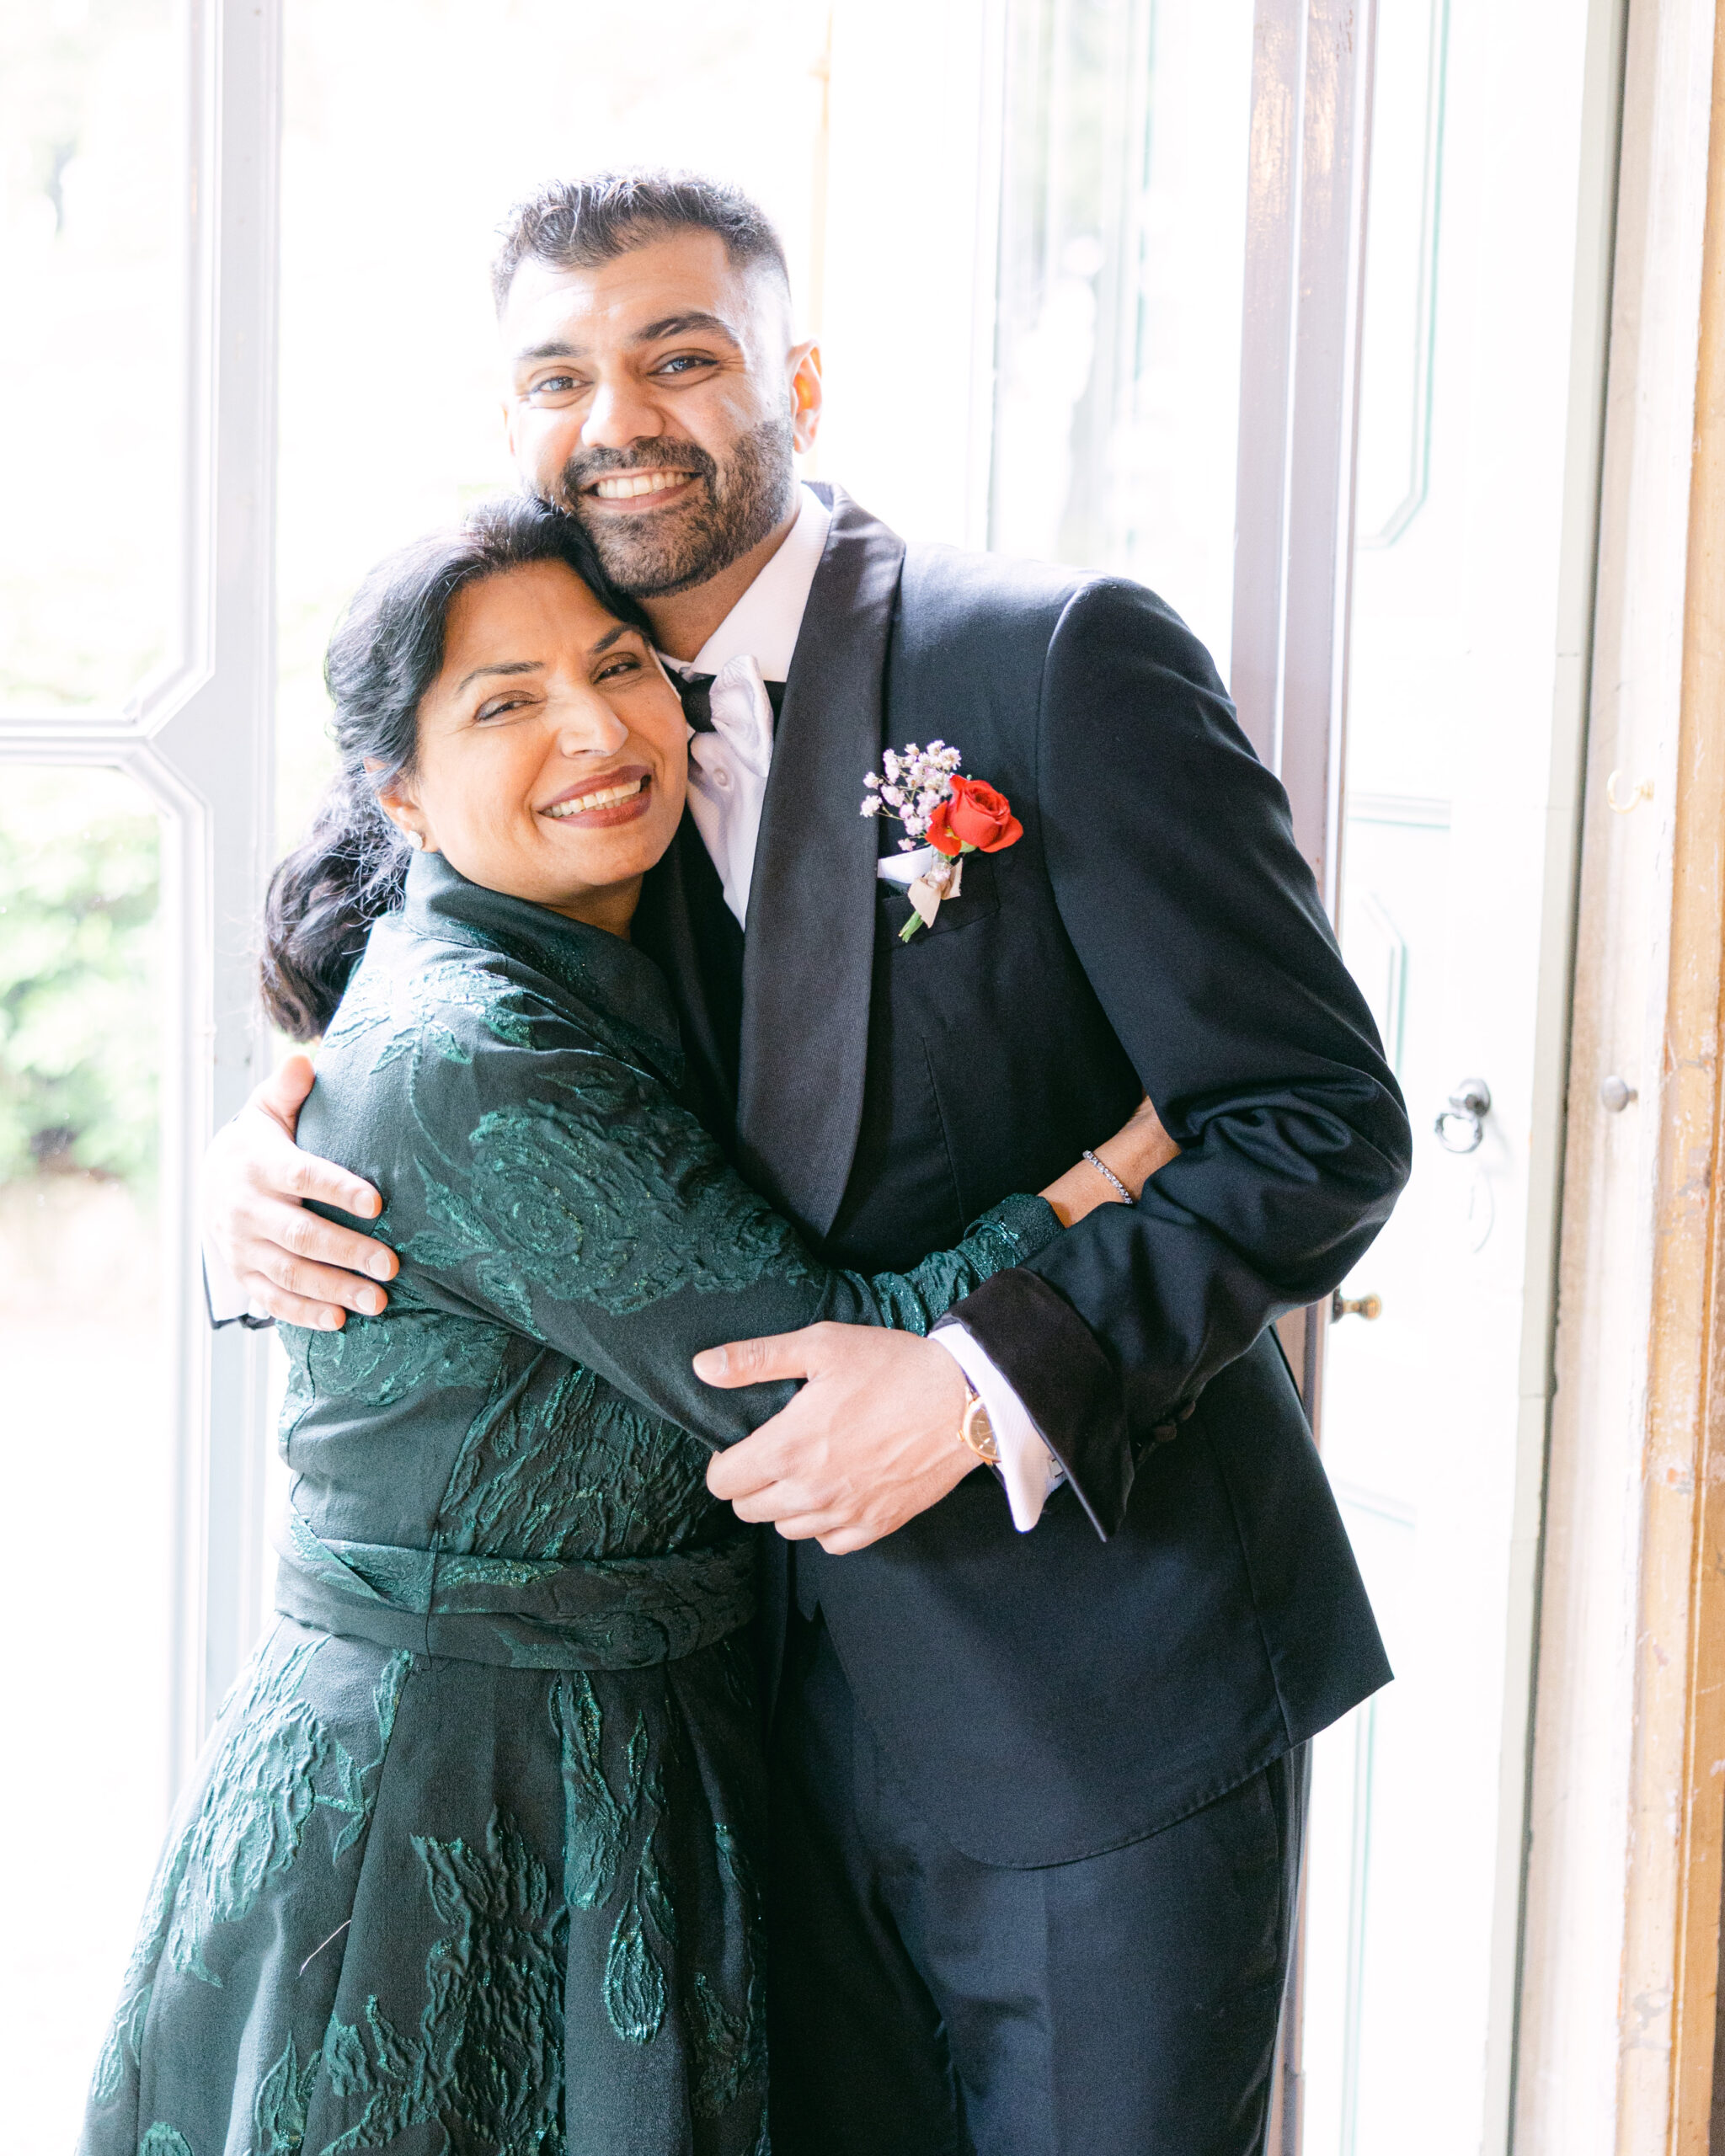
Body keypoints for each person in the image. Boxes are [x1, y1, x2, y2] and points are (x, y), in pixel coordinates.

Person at [203, 173, 1413, 2153]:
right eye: (561, 374)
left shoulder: (1049, 662)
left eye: (683, 353)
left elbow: (1313, 1118)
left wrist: (976, 1377)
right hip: (730, 1735)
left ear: (800, 379)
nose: (623, 417)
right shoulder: (569, 741)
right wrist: (245, 1187)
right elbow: (416, 1036)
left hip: (1088, 1695)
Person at [86, 499, 1165, 2156]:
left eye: (617, 666)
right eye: (505, 700)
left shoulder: (643, 938)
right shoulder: (476, 1050)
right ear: (401, 791)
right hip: (445, 1804)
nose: (593, 727)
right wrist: (1131, 1155)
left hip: (613, 1758)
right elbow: (824, 1363)